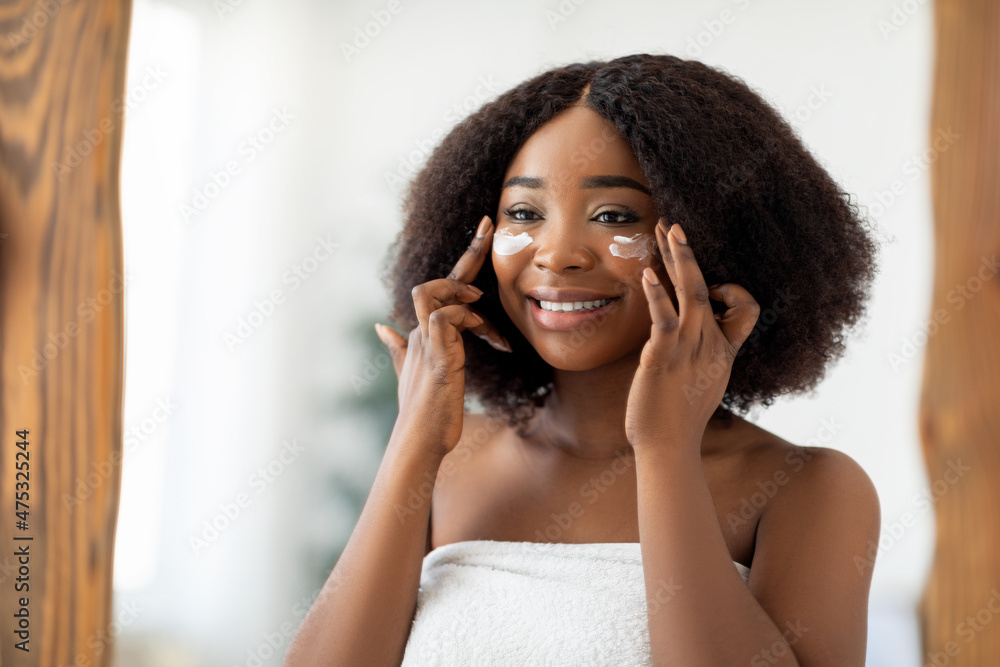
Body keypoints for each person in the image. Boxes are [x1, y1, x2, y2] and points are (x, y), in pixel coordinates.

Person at [284, 53, 882, 666]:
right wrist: (413, 443)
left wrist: (665, 450)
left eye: (614, 216)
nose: (557, 254)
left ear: (714, 238)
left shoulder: (808, 490)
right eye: (524, 213)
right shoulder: (447, 461)